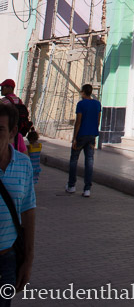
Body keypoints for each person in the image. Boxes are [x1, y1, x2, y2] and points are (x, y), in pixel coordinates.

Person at [0, 101, 35, 305]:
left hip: (7, 261)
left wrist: (28, 260)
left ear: (13, 131)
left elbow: (28, 211)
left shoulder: (23, 164)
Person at [66, 84, 101, 197]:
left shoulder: (81, 104)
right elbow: (98, 120)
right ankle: (87, 189)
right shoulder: (97, 104)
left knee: (74, 160)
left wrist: (74, 138)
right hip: (92, 135)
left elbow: (78, 121)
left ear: (83, 92)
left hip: (81, 135)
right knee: (89, 161)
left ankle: (71, 185)